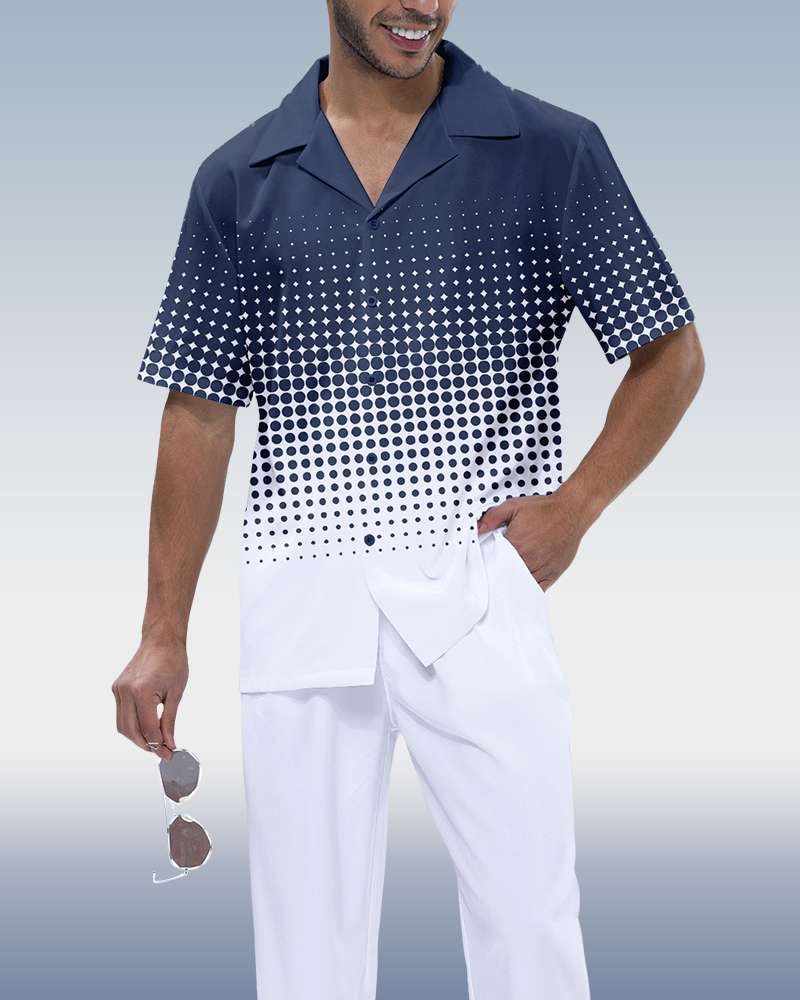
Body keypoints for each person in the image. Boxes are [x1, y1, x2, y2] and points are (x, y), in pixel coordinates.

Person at [112, 1, 705, 996]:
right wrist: (162, 630)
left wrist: (576, 506)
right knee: (305, 950)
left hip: (479, 587)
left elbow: (670, 352)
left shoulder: (549, 150)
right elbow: (200, 413)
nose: (421, 5)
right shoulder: (236, 179)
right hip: (302, 593)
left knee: (527, 921)